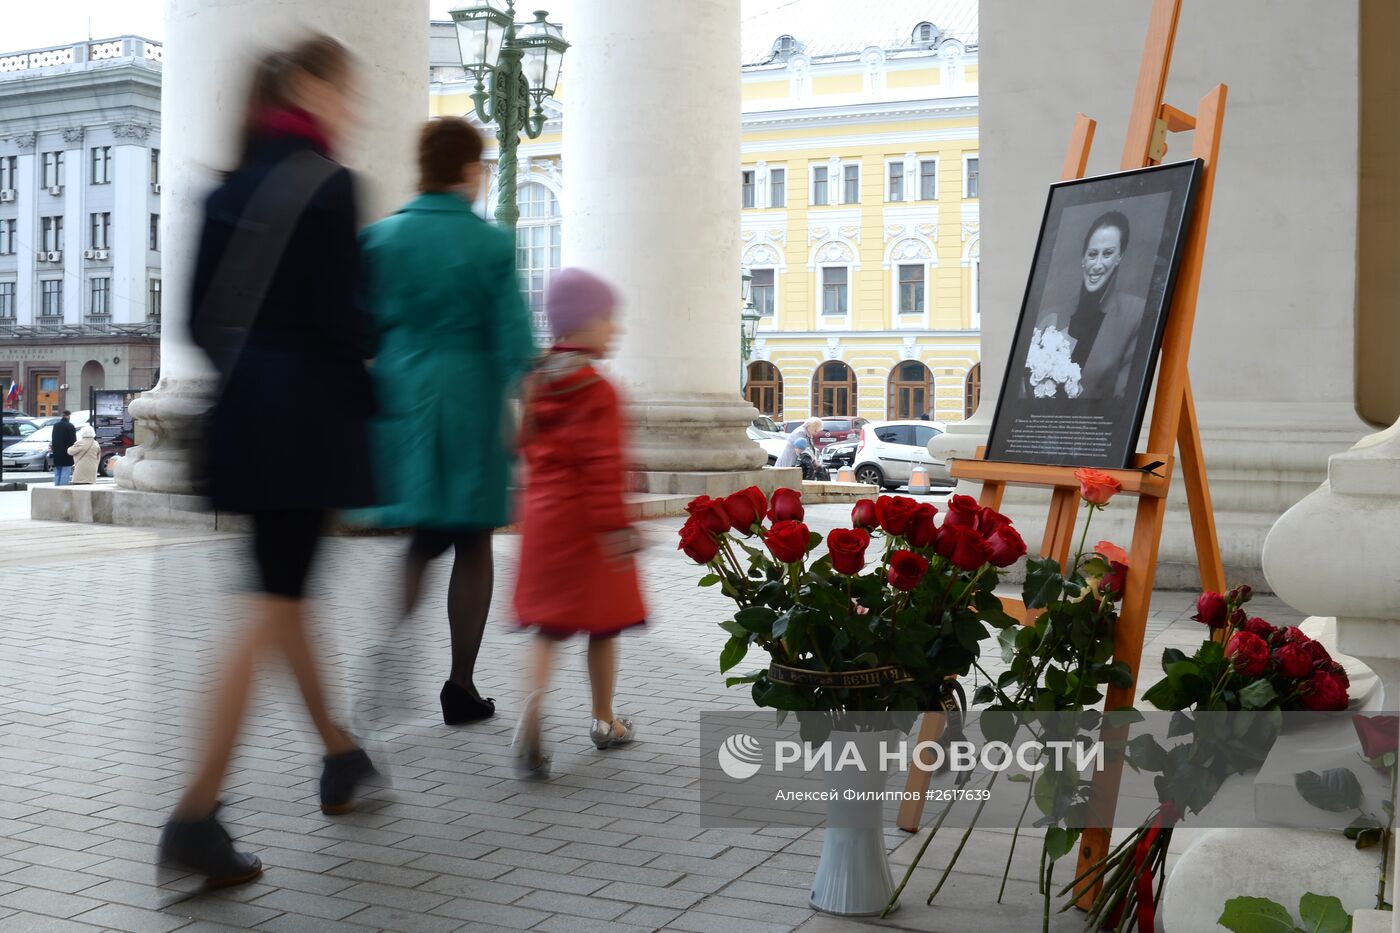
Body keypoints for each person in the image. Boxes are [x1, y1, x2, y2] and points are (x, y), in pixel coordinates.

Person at [163, 35, 376, 887]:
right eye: (346, 92)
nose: (353, 109)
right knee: (265, 603)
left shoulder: (224, 187)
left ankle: (340, 750)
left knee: (283, 595)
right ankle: (194, 814)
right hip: (306, 423)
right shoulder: (331, 186)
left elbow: (194, 320)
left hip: (244, 416)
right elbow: (345, 323)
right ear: (310, 87)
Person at [358, 116, 534, 724]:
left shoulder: (380, 239)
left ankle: (388, 651)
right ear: (467, 170)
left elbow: (360, 328)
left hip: (405, 405)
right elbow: (515, 341)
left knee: (419, 541)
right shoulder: (489, 244)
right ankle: (460, 684)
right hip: (471, 405)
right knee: (473, 541)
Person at [512, 268, 645, 778]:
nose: (616, 330)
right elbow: (603, 465)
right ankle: (604, 719)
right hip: (591, 529)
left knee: (548, 629)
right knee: (603, 626)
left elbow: (525, 448)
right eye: (609, 319)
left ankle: (531, 717)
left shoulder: (537, 381)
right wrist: (617, 527)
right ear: (585, 323)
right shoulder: (599, 391)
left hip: (544, 523)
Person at [1029, 210, 1146, 399]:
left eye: (1107, 254)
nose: (1097, 264)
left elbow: (1123, 400)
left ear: (1119, 257)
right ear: (1083, 258)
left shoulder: (1135, 314)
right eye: (1092, 254)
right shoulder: (1051, 317)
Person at [51, 410, 76, 485]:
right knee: (65, 472)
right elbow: (73, 440)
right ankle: (62, 488)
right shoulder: (70, 426)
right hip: (66, 453)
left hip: (57, 453)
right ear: (68, 416)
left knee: (57, 472)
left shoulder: (56, 425)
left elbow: (53, 438)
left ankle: (56, 487)